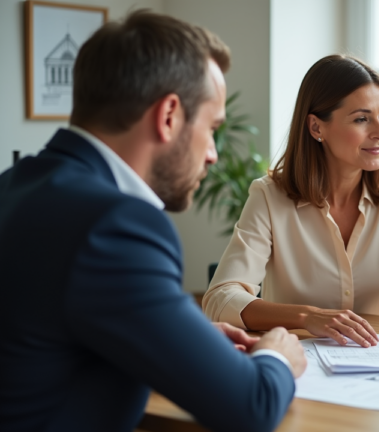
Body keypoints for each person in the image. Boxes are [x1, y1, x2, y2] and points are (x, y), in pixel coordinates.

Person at [0, 11, 305, 432]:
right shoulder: (116, 225)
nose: (213, 153)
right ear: (168, 117)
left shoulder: (14, 186)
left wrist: (183, 337)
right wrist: (277, 355)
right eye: (211, 128)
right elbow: (251, 407)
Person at [203, 55, 379, 353]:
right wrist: (307, 316)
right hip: (296, 364)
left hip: (377, 366)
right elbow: (220, 298)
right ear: (315, 128)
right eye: (362, 119)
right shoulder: (269, 196)